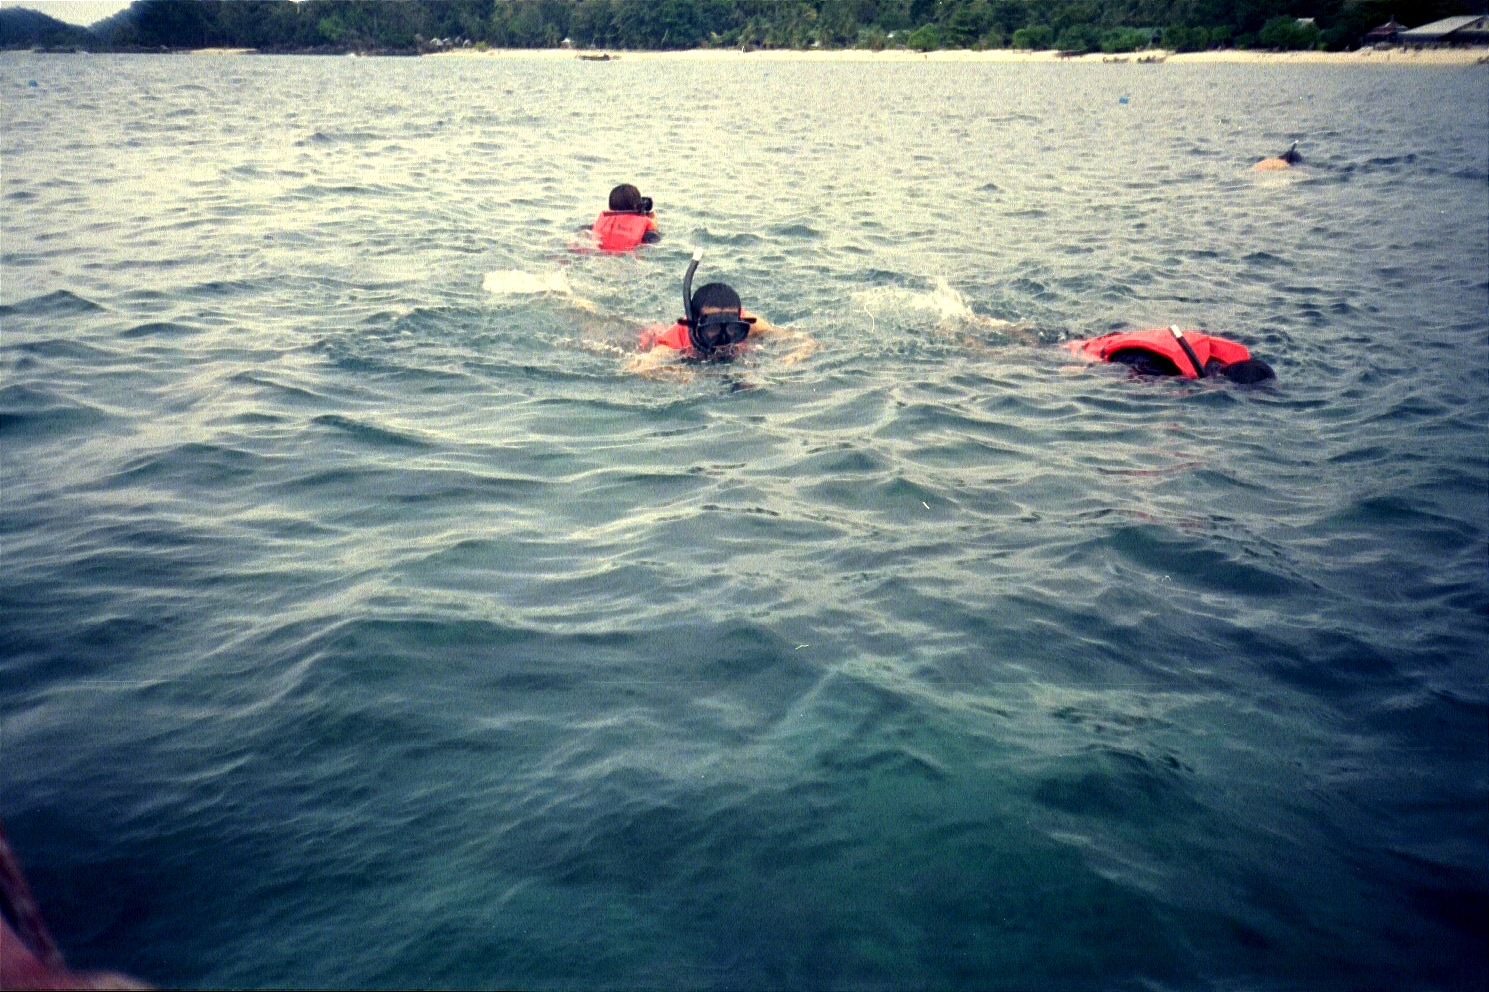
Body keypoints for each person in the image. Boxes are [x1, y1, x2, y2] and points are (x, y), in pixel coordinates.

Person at [628, 250, 817, 377]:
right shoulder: (674, 343)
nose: (724, 340)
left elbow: (802, 340)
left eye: (733, 329)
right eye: (713, 330)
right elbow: (637, 368)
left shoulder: (749, 323)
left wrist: (795, 355)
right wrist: (675, 374)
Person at [1065, 326, 1275, 383]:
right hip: (1094, 352)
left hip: (1114, 341)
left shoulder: (1211, 361)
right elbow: (1130, 371)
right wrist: (1086, 369)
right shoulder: (1171, 370)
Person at [590, 183, 660, 252]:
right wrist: (655, 227)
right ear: (636, 206)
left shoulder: (602, 223)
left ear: (610, 206)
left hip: (600, 254)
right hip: (629, 255)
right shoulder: (647, 233)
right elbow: (655, 241)